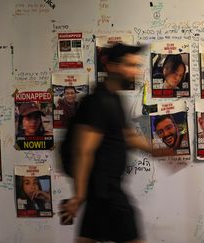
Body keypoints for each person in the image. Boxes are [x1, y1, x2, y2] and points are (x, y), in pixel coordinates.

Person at [60, 43, 151, 243]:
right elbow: (83, 150)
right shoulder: (97, 102)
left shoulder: (114, 100)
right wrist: (79, 196)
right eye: (131, 65)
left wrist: (161, 151)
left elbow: (127, 137)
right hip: (105, 192)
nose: (136, 71)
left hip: (100, 193)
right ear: (112, 67)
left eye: (137, 66)